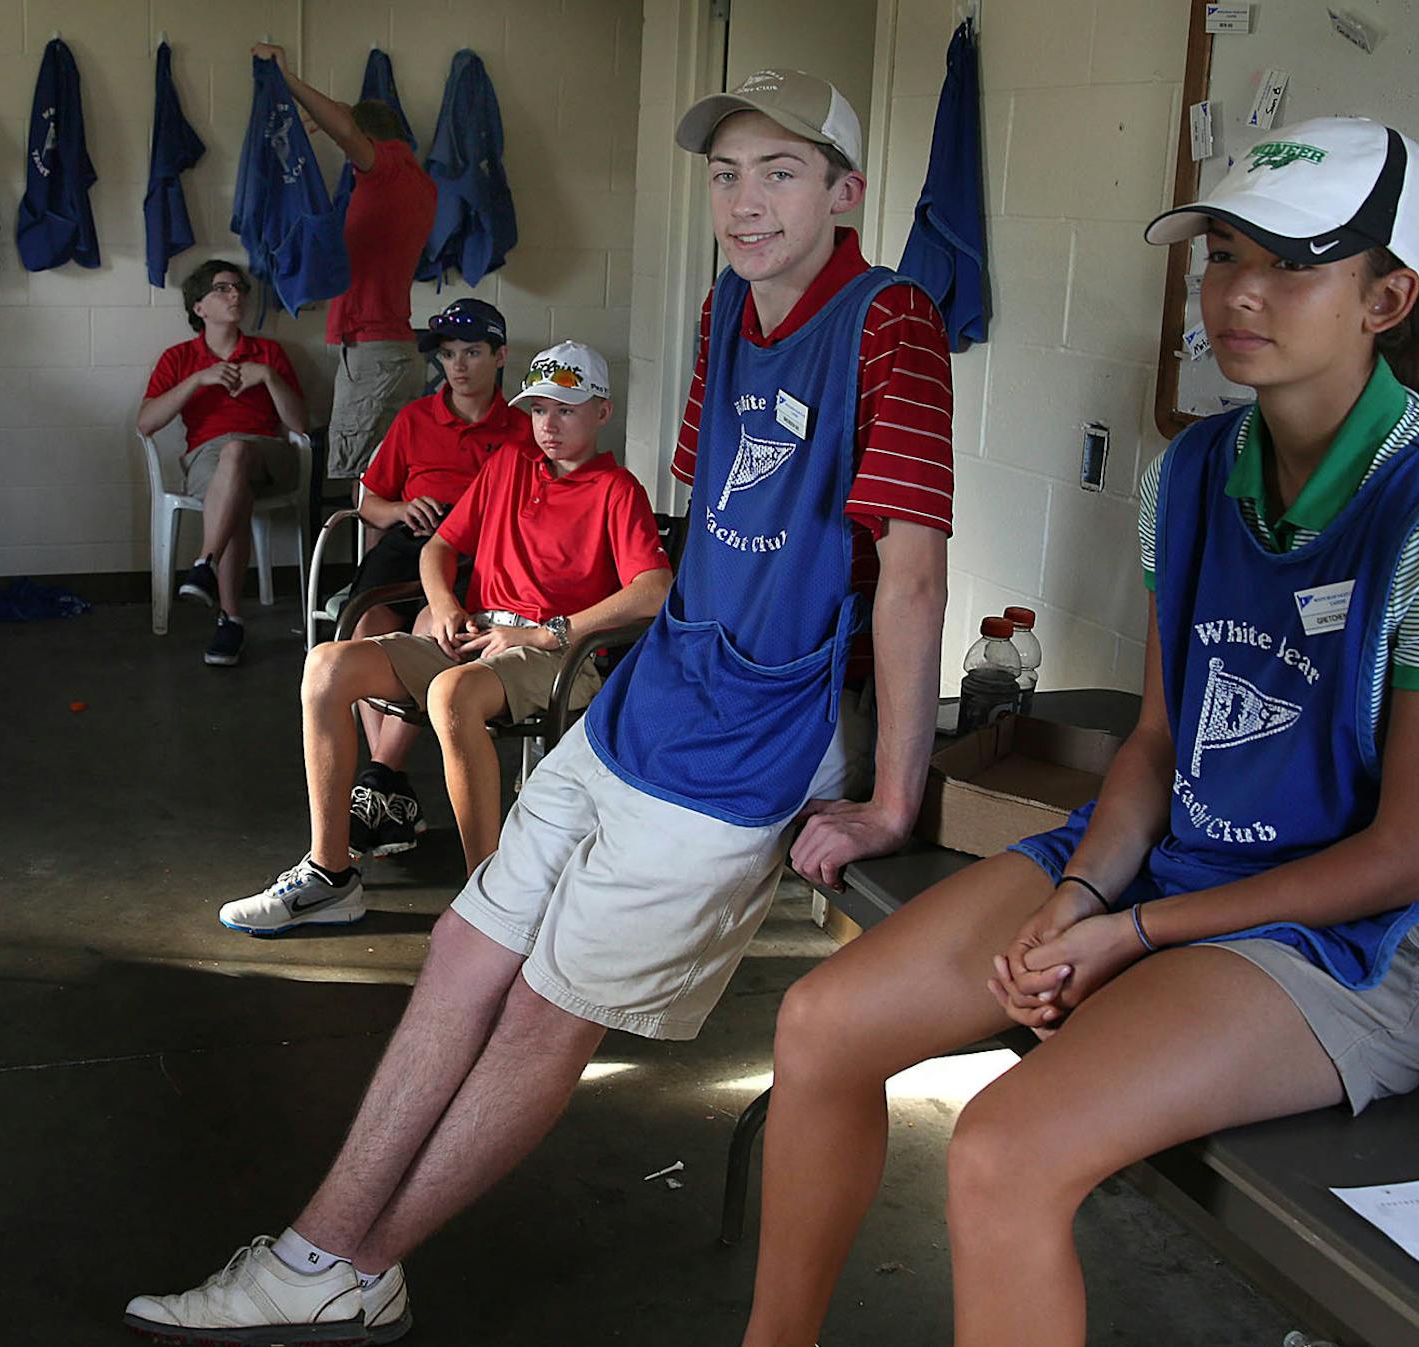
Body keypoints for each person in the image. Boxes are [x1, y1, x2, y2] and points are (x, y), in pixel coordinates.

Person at [123, 69, 951, 1344]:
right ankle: (318, 1250)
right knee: (463, 948)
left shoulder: (892, 320)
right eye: (726, 174)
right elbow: (710, 519)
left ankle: (347, 1263)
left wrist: (893, 793)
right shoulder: (727, 302)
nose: (744, 203)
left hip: (747, 742)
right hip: (651, 700)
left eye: (781, 172)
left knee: (547, 1012)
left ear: (846, 191)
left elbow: (908, 569)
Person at [736, 118, 1419, 1347]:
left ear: (1388, 297)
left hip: (1364, 932)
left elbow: (1409, 854)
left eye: (1293, 266)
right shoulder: (1195, 469)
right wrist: (1084, 891)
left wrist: (1131, 928)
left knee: (1002, 1149)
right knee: (821, 1027)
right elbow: (1157, 741)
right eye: (1225, 257)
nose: (1239, 295)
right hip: (1180, 857)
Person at [221, 341, 671, 935]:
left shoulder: (618, 490)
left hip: (556, 653)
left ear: (601, 412)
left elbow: (655, 590)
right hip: (476, 635)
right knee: (327, 665)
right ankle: (331, 875)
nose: (548, 425)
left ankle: (488, 899)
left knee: (451, 695)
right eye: (538, 409)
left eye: (566, 409)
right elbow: (440, 546)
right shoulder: (509, 464)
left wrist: (548, 631)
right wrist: (445, 604)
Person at [344, 298, 529, 857]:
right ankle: (386, 786)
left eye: (473, 352)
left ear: (500, 356)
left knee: (433, 627)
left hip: (479, 549)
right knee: (365, 631)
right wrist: (400, 511)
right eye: (448, 354)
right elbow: (368, 500)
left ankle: (378, 780)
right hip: (410, 541)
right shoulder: (416, 418)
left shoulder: (525, 425)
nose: (460, 366)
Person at [249, 42, 436, 481]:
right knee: (387, 482)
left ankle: (364, 554)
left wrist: (288, 80)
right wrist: (335, 113)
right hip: (390, 350)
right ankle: (378, 553)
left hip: (375, 353)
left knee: (362, 485)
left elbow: (349, 134)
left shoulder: (387, 171)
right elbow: (348, 125)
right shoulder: (417, 182)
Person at [138, 259, 310, 667]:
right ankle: (229, 620)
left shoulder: (268, 352)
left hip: (269, 455)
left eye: (239, 289)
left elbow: (301, 424)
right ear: (199, 307)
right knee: (234, 486)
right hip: (207, 460)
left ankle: (206, 565)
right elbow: (145, 423)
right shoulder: (179, 358)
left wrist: (268, 376)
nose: (236, 295)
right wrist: (198, 380)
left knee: (237, 453)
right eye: (223, 289)